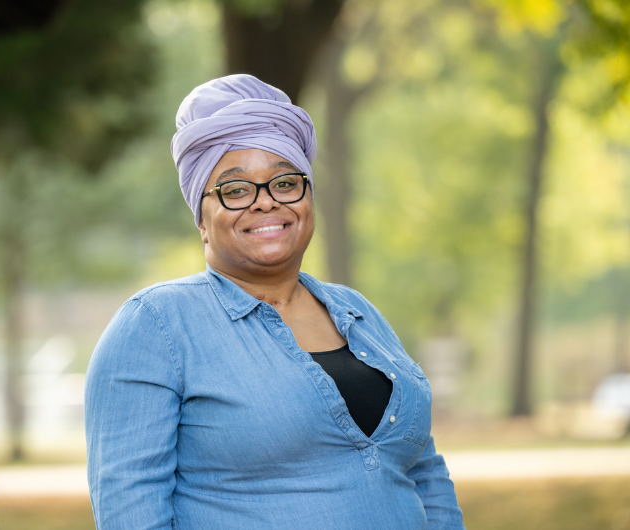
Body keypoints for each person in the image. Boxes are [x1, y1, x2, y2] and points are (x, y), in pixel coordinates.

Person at [85, 74, 465, 530]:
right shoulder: (156, 327)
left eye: (285, 183)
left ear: (307, 197)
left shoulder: (358, 313)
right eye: (236, 189)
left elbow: (424, 470)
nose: (265, 203)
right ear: (202, 217)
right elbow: (132, 514)